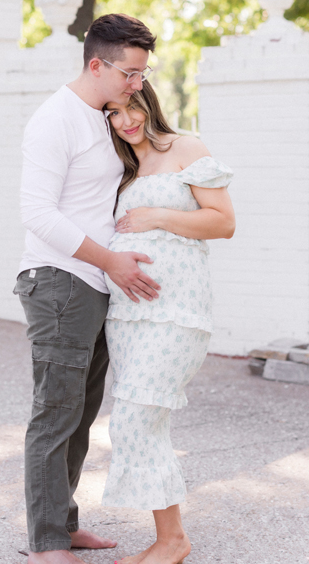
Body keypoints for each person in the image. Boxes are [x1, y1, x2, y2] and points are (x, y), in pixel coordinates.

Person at [14, 14, 163, 564]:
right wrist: (112, 263)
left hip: (94, 286)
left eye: (144, 73)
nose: (137, 84)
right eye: (130, 72)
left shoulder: (103, 117)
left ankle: (62, 524)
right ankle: (47, 544)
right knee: (55, 412)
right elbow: (37, 214)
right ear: (97, 64)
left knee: (79, 413)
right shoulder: (55, 119)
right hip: (59, 284)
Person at [100, 82, 235, 564]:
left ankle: (173, 541)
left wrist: (156, 215)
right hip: (130, 318)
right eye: (112, 114)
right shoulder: (125, 171)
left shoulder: (187, 147)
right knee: (142, 423)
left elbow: (223, 222)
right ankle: (165, 538)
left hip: (176, 313)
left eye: (129, 106)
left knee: (137, 419)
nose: (125, 120)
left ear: (148, 99)